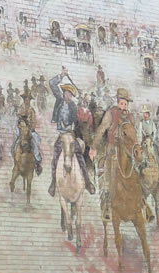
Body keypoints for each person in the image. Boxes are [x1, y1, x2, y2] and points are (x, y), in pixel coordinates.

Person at [91, 87, 138, 219]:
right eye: (122, 103)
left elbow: (134, 134)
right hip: (112, 148)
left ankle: (143, 204)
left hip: (127, 150)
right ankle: (106, 204)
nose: (124, 106)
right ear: (118, 102)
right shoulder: (111, 113)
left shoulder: (130, 116)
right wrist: (93, 147)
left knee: (139, 171)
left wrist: (136, 147)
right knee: (107, 173)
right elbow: (101, 129)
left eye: (126, 103)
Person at [48, 68, 95, 196]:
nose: (67, 95)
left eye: (69, 93)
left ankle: (87, 181)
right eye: (65, 93)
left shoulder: (74, 106)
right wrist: (61, 75)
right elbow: (51, 84)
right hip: (61, 134)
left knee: (79, 156)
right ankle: (53, 183)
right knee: (56, 155)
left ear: (72, 95)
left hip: (70, 134)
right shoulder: (59, 101)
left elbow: (75, 120)